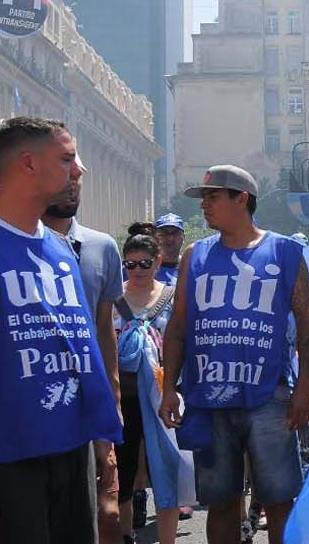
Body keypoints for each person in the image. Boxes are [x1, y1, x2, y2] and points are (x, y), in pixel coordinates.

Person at [158, 165, 309, 544]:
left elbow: (308, 326)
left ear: (241, 199)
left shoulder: (286, 251)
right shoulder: (194, 257)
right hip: (209, 397)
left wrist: (305, 386)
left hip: (270, 397)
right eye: (204, 199)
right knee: (220, 503)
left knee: (279, 501)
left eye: (213, 197)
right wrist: (169, 389)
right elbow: (178, 328)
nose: (204, 207)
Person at [0, 117, 122, 543]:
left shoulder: (62, 252)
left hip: (72, 447)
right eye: (67, 158)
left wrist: (102, 434)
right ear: (27, 164)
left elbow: (83, 346)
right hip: (10, 454)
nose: (79, 170)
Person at [40, 148, 127, 542]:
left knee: (106, 510)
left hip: (90, 401)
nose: (72, 184)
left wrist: (113, 402)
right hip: (33, 402)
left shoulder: (101, 247)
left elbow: (104, 330)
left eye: (77, 178)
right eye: (64, 175)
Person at [114, 223, 194, 544]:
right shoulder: (114, 299)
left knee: (167, 469)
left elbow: (185, 341)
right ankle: (124, 535)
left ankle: (168, 540)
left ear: (158, 262)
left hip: (165, 395)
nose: (137, 270)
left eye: (145, 263)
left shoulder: (173, 297)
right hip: (124, 398)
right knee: (123, 469)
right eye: (130, 264)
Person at [154, 213, 186, 285]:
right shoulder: (143, 268)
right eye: (164, 233)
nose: (170, 238)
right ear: (155, 238)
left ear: (183, 237)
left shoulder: (191, 269)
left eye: (175, 233)